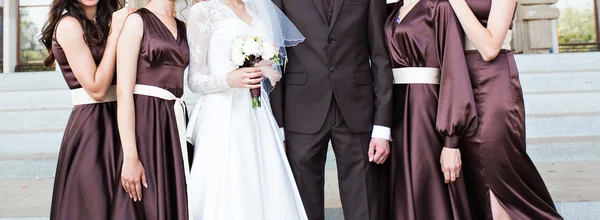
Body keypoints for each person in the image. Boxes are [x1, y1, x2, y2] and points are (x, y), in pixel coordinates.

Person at [269, 0, 394, 219]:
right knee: (302, 205)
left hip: (358, 109)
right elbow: (275, 58)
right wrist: (278, 126)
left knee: (364, 201)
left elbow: (380, 57)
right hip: (300, 110)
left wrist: (382, 126)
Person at [185, 0, 307, 219]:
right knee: (230, 181)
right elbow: (194, 79)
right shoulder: (202, 11)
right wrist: (228, 80)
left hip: (258, 112)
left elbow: (264, 58)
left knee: (264, 178)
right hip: (223, 113)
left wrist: (265, 69)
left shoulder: (255, 8)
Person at [447, 0, 563, 219]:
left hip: (492, 83)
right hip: (455, 86)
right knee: (472, 184)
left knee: (498, 178)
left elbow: (490, 48)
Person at [39, 0, 133, 219]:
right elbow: (97, 88)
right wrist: (115, 34)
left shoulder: (112, 18)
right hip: (93, 129)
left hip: (125, 120)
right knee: (95, 207)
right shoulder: (69, 25)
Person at [384, 0, 477, 219]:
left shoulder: (439, 7)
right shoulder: (390, 10)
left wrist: (451, 141)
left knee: (428, 185)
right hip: (395, 111)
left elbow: (454, 69)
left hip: (427, 109)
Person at [110, 0, 192, 219]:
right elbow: (123, 93)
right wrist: (130, 156)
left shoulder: (183, 26)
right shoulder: (137, 21)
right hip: (146, 123)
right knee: (149, 199)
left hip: (174, 121)